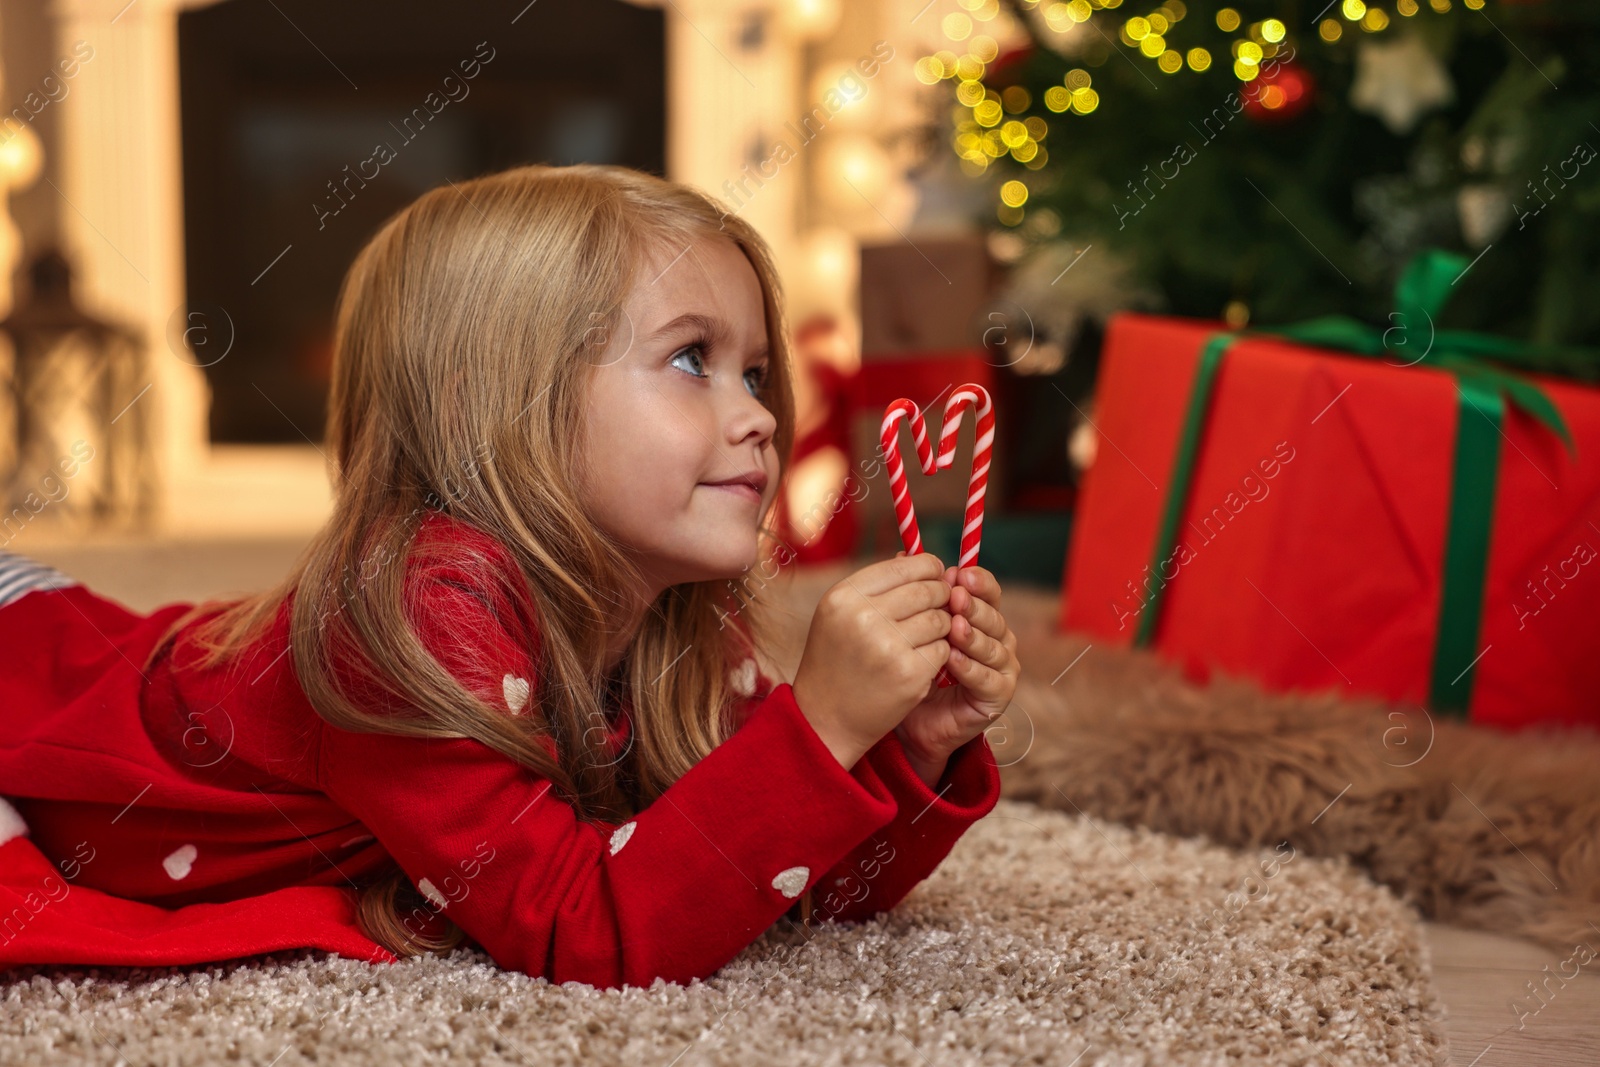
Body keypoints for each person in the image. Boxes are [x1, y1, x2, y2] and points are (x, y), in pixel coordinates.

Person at [0, 164, 1019, 990]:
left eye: (753, 371)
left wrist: (908, 752)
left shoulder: (678, 617)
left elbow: (765, 880)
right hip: (35, 673)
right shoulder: (409, 612)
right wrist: (823, 729)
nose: (757, 414)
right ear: (490, 410)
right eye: (688, 360)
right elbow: (589, 931)